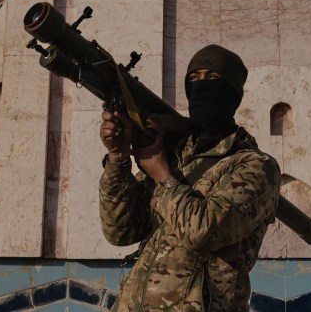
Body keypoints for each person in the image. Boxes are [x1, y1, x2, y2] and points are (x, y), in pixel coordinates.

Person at [98, 44, 281, 312]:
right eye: (194, 78)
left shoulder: (254, 166)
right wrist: (118, 159)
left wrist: (162, 175)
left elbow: (205, 231)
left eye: (212, 78)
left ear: (231, 92)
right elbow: (120, 231)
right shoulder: (175, 157)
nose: (202, 85)